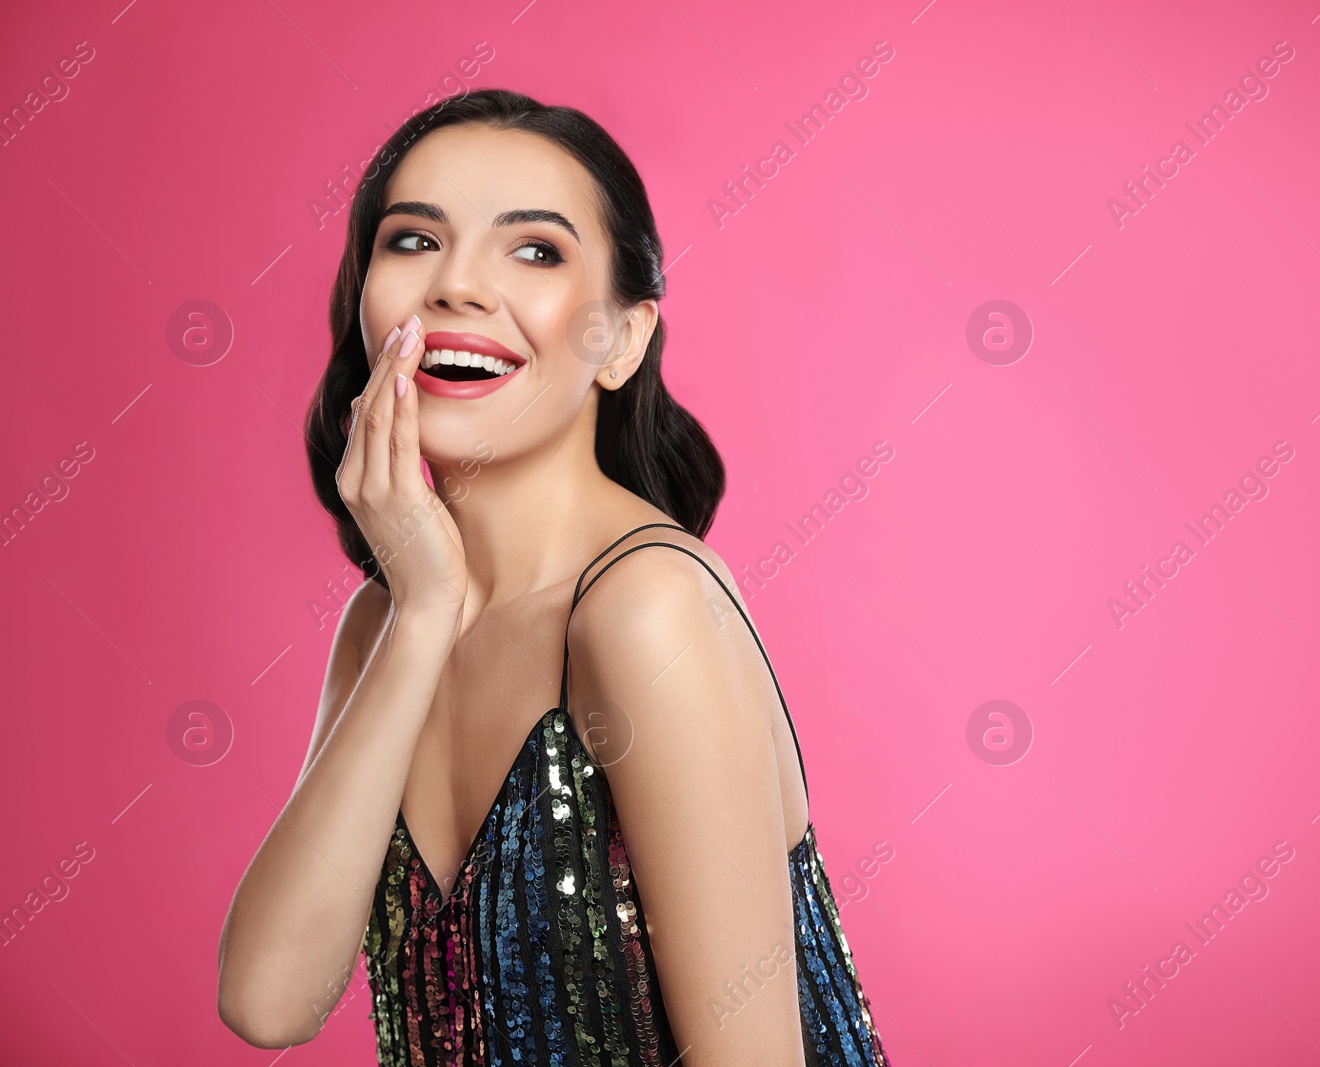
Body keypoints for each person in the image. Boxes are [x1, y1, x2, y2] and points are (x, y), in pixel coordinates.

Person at [215, 88, 891, 1066]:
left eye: (533, 250)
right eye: (412, 241)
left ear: (621, 338)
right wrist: (422, 612)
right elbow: (268, 1001)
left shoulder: (643, 607)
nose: (457, 286)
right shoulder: (388, 616)